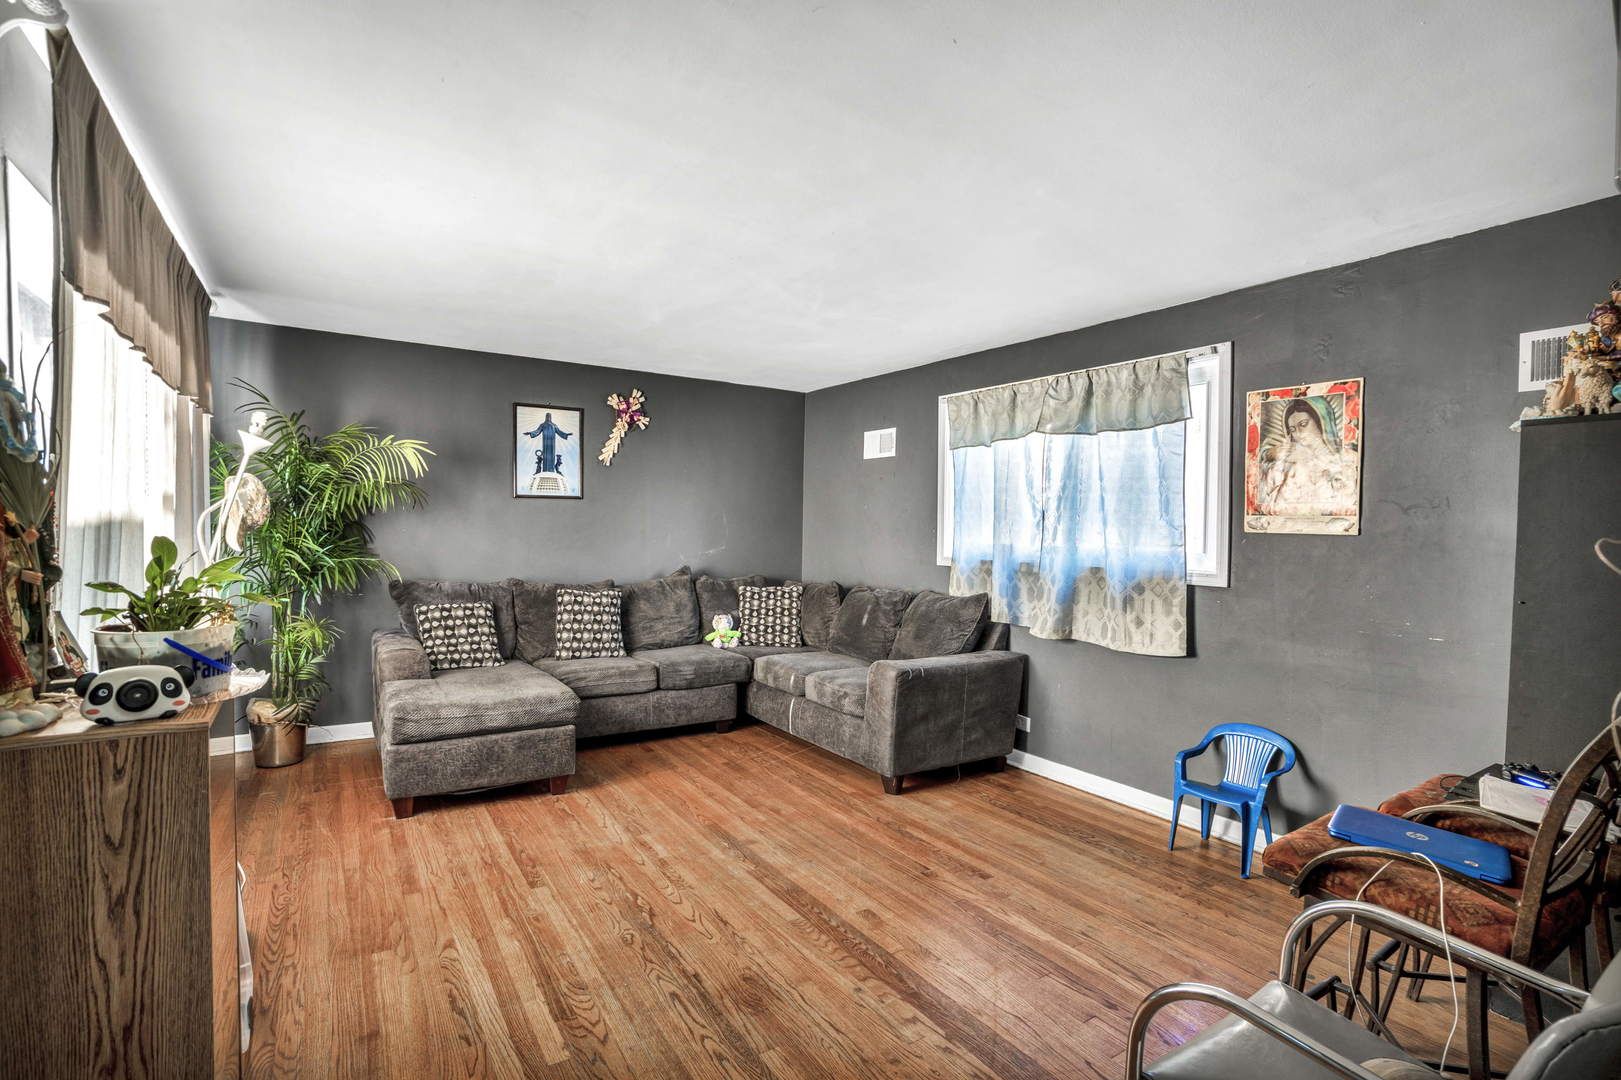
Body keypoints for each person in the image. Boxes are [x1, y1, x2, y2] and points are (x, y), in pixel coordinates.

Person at [1257, 398, 1356, 516]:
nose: (1298, 433)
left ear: (1320, 421)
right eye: (1292, 430)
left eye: (1303, 424)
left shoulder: (1348, 459)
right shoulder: (1288, 463)